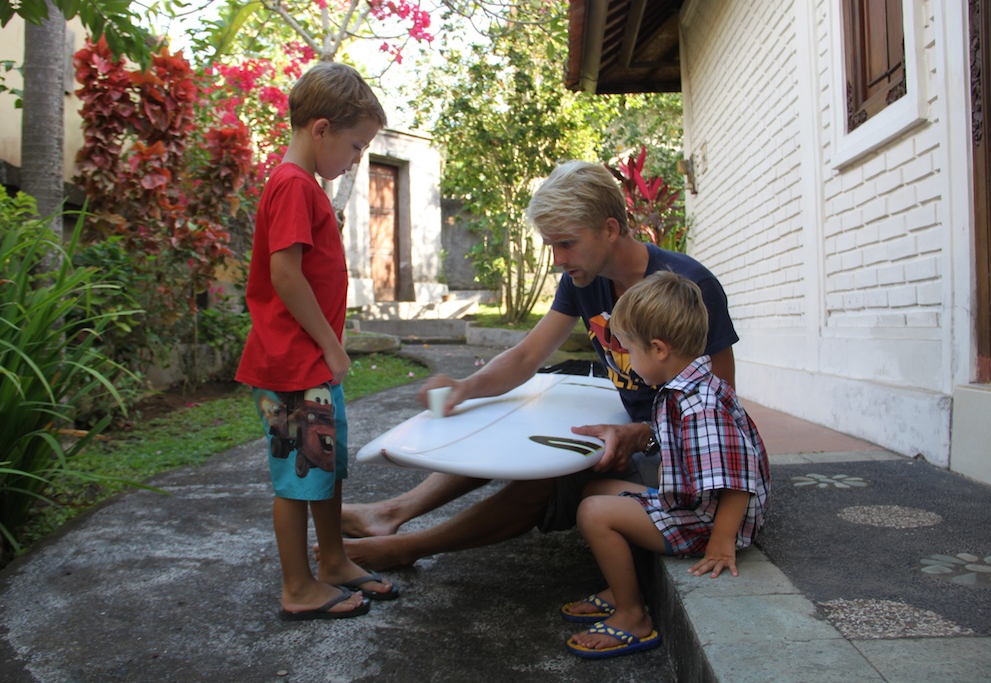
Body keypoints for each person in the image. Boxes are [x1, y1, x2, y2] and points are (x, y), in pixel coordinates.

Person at [339, 160, 740, 571]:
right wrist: (465, 387)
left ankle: (411, 547)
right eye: (551, 245)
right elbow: (528, 356)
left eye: (566, 243)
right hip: (632, 432)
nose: (557, 259)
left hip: (680, 456)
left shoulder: (689, 286)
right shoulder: (582, 279)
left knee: (550, 478)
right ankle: (390, 513)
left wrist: (642, 434)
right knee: (510, 417)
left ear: (610, 229)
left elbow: (722, 404)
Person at [235, 61, 398, 620]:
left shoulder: (301, 186)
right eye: (356, 147)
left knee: (323, 466)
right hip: (293, 365)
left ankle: (332, 561)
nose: (356, 159)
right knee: (298, 474)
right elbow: (285, 275)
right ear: (321, 129)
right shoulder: (292, 185)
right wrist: (331, 344)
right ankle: (298, 586)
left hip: (309, 366)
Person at [562, 271, 770, 659]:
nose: (627, 363)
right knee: (596, 489)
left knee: (593, 512)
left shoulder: (699, 406)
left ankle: (632, 616)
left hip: (707, 523)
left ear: (659, 349)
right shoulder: (684, 388)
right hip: (691, 503)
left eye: (630, 352)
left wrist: (722, 543)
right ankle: (623, 584)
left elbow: (740, 480)